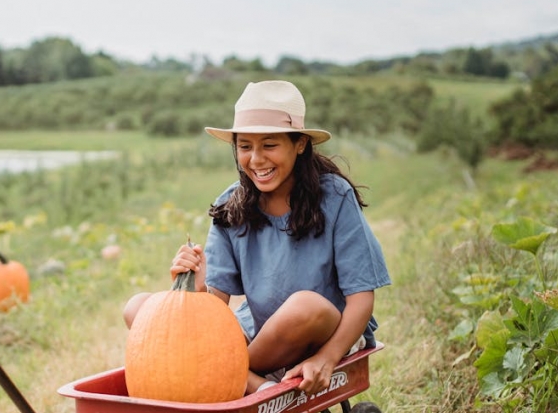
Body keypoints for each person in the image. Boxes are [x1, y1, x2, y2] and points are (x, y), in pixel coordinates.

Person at [124, 80, 391, 396]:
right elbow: (214, 309)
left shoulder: (334, 197)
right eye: (245, 146)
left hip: (327, 332)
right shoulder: (230, 207)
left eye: (270, 145)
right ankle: (249, 382)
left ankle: (225, 377)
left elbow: (362, 299)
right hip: (261, 336)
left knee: (304, 306)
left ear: (300, 144)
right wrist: (194, 290)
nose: (256, 159)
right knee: (139, 307)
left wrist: (326, 358)